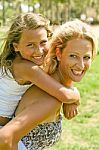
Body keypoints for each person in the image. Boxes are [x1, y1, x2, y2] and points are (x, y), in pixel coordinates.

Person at [0, 19, 97, 150]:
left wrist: (71, 97)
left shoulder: (44, 75)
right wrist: (75, 97)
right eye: (73, 56)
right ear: (58, 53)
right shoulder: (49, 97)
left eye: (86, 57)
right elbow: (5, 139)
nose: (80, 65)